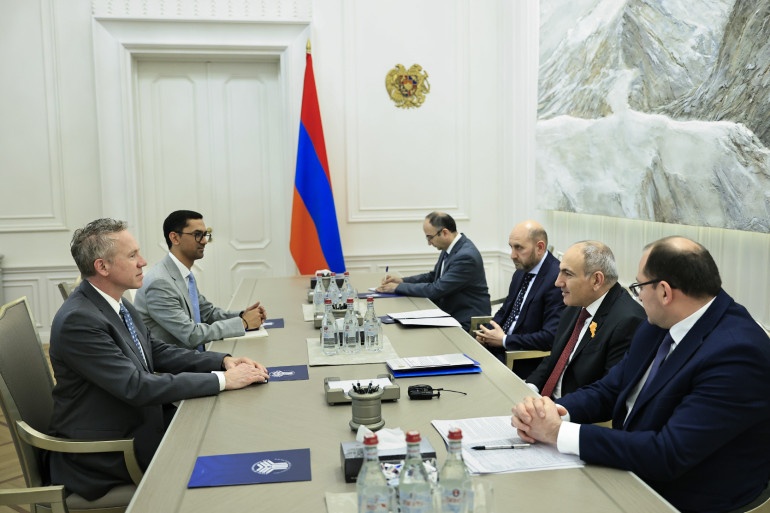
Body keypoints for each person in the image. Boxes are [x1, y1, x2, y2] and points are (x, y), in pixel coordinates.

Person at [511, 236, 770, 513]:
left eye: (639, 287)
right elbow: (611, 389)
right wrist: (550, 411)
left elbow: (668, 454)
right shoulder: (658, 323)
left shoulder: (737, 353)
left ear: (665, 292)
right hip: (633, 467)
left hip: (687, 495)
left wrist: (559, 432)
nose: (637, 297)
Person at [48, 219, 270, 501]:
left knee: (230, 434)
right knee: (223, 463)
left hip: (140, 424)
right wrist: (223, 381)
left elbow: (156, 351)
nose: (143, 262)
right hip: (108, 452)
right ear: (102, 267)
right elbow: (136, 386)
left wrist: (222, 362)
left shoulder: (116, 301)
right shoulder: (79, 320)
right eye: (132, 256)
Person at [525, 240, 645, 398]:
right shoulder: (575, 304)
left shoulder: (628, 321)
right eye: (560, 272)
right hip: (543, 400)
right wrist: (530, 388)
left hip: (570, 408)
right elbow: (556, 357)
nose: (558, 282)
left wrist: (556, 408)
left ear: (596, 280)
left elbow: (607, 394)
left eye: (568, 274)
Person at [134, 210, 267, 350]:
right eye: (197, 235)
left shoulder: (183, 274)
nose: (204, 241)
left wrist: (242, 315)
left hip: (192, 357)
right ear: (175, 238)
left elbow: (207, 314)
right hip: (175, 363)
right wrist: (243, 323)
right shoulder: (160, 283)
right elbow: (192, 334)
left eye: (205, 235)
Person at [474, 220, 564, 376]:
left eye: (519, 248)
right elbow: (505, 311)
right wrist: (486, 333)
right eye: (511, 247)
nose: (512, 255)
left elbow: (550, 337)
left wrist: (504, 340)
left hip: (521, 361)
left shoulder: (556, 280)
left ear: (540, 247)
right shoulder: (522, 270)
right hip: (499, 350)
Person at [377, 211, 490, 330]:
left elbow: (436, 289)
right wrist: (402, 281)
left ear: (444, 232)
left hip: (465, 321)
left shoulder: (466, 256)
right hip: (450, 313)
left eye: (430, 237)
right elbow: (433, 276)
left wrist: (397, 288)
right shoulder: (451, 247)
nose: (429, 243)